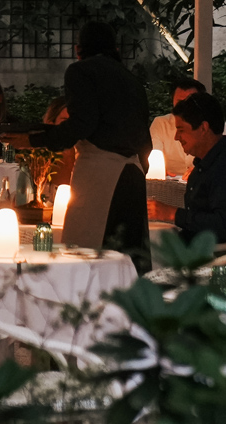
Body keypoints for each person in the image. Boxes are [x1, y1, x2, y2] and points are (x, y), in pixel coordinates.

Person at [29, 22, 152, 272]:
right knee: (127, 261)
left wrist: (37, 140)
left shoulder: (81, 72)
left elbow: (83, 123)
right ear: (115, 49)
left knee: (85, 258)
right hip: (135, 176)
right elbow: (144, 141)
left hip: (100, 176)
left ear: (78, 50)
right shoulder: (132, 81)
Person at [171, 91, 226, 245]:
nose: (176, 137)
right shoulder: (204, 165)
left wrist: (173, 214)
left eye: (181, 130)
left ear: (203, 128)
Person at [148, 75, 207, 178]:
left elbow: (220, 158)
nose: (185, 107)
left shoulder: (212, 125)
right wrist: (159, 169)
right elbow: (154, 155)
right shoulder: (161, 124)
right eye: (180, 102)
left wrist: (200, 170)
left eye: (190, 102)